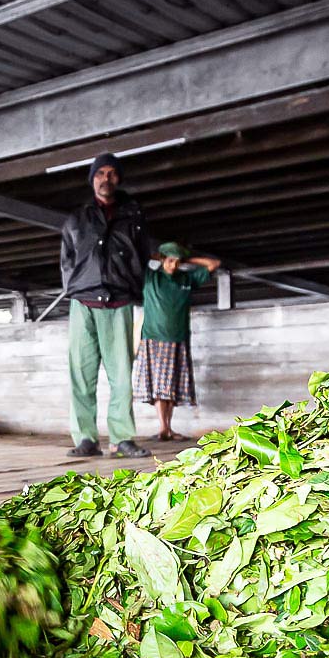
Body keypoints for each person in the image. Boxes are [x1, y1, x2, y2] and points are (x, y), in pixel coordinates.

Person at [58, 152, 155, 459]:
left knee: (122, 375)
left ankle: (122, 438)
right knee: (81, 375)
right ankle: (86, 438)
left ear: (119, 179)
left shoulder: (133, 217)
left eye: (112, 173)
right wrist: (75, 286)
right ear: (92, 179)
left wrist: (130, 284)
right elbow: (67, 260)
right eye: (100, 173)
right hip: (83, 302)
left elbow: (141, 254)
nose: (106, 179)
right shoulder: (77, 218)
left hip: (119, 302)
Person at [132, 241, 222, 441]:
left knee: (171, 388)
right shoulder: (151, 278)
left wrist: (186, 259)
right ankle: (163, 428)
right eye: (170, 261)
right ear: (163, 260)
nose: (173, 266)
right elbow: (137, 257)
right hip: (154, 339)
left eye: (177, 262)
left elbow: (214, 264)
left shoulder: (186, 278)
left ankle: (168, 428)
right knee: (159, 387)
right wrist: (161, 256)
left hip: (179, 339)